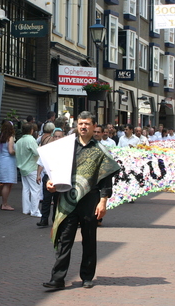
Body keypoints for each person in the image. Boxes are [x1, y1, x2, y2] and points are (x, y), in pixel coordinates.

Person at [42, 111, 120, 290]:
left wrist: (103, 202)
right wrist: (50, 182)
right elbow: (54, 169)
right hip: (68, 198)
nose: (83, 126)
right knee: (64, 240)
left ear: (94, 127)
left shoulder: (100, 150)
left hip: (90, 199)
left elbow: (106, 179)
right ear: (77, 126)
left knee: (89, 239)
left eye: (87, 124)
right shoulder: (66, 146)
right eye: (80, 123)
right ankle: (57, 279)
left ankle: (87, 276)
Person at [37, 128, 63, 227]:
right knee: (46, 200)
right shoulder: (47, 148)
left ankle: (55, 219)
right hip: (48, 177)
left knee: (57, 200)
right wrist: (38, 174)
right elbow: (41, 163)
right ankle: (44, 219)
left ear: (62, 137)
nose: (56, 138)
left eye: (59, 136)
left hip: (60, 178)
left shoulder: (66, 150)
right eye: (55, 136)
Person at [15, 122, 41, 217]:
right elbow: (37, 153)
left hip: (22, 167)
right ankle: (35, 211)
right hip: (32, 167)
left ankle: (26, 209)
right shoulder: (31, 140)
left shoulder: (19, 141)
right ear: (31, 130)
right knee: (35, 190)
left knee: (26, 189)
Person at [0, 120, 17, 211]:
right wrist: (17, 152)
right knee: (8, 183)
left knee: (6, 182)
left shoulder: (0, 137)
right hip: (9, 161)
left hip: (1, 159)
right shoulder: (10, 137)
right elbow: (11, 151)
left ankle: (4, 202)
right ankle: (4, 203)